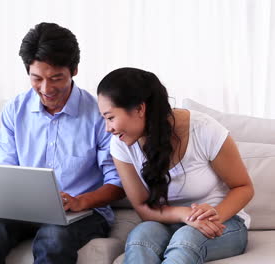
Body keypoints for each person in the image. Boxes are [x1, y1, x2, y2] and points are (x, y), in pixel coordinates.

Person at [0, 22, 125, 264]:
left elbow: (118, 183)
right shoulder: (14, 110)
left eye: (56, 78)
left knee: (53, 237)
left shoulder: (99, 115)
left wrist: (79, 201)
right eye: (36, 78)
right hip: (24, 209)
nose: (46, 89)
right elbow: (6, 171)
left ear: (74, 70)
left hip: (85, 212)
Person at [96, 67, 254, 263]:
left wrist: (214, 215)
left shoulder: (203, 129)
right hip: (169, 222)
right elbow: (142, 207)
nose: (108, 128)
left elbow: (244, 187)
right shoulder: (121, 144)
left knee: (185, 241)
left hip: (223, 221)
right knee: (140, 238)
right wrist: (185, 215)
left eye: (111, 117)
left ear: (139, 109)